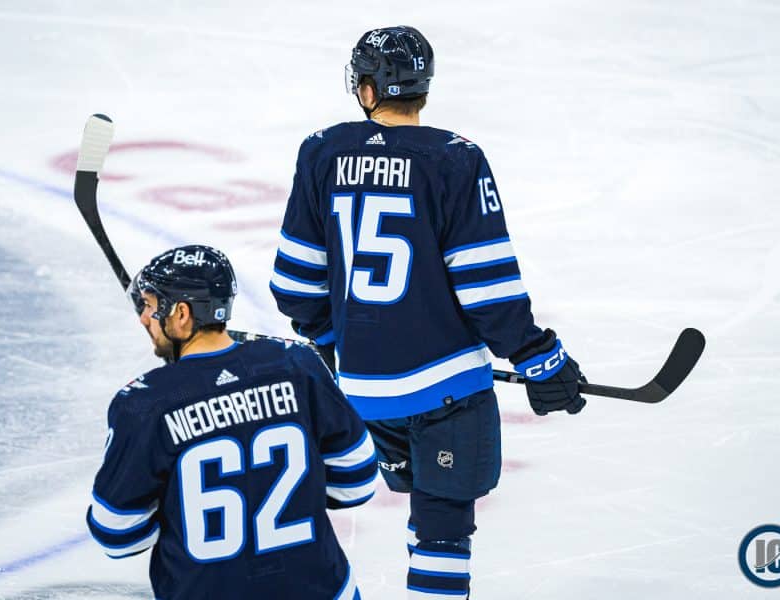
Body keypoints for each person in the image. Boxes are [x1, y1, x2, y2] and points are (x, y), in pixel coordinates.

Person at [269, 26, 587, 598]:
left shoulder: (321, 151)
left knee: (378, 511)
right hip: (446, 392)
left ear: (368, 88)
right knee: (442, 527)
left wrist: (334, 342)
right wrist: (538, 356)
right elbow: (486, 285)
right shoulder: (455, 159)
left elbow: (294, 283)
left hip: (363, 393)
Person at [87, 244, 376, 600]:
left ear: (181, 314)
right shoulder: (298, 365)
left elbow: (117, 534)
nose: (144, 318)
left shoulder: (144, 404)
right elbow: (356, 481)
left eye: (149, 305)